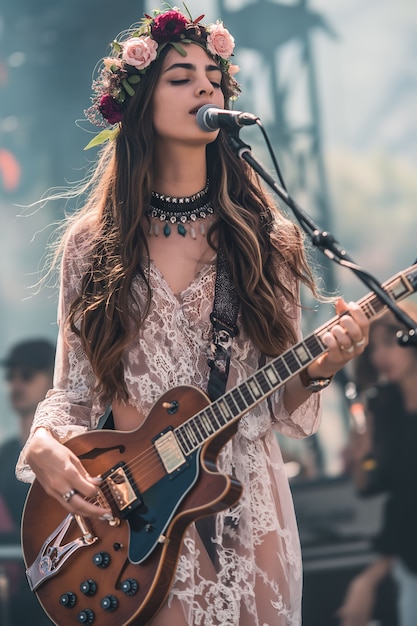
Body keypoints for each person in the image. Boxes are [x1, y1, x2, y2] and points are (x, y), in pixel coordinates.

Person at [16, 7, 369, 626]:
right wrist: (43, 444)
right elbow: (72, 393)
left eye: (213, 75)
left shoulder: (267, 240)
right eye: (181, 76)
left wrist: (324, 366)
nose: (206, 86)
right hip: (138, 518)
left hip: (248, 504)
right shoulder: (91, 245)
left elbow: (283, 411)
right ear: (140, 104)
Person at [336, 301, 417, 626]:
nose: (379, 356)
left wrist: (372, 576)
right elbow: (369, 484)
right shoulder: (382, 411)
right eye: (373, 348)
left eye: (389, 343)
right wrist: (364, 454)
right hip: (407, 561)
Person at [0, 338, 55, 625]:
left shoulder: (69, 455)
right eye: (11, 376)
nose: (16, 384)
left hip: (60, 588)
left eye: (27, 375)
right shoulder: (3, 456)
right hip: (12, 599)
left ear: (51, 378)